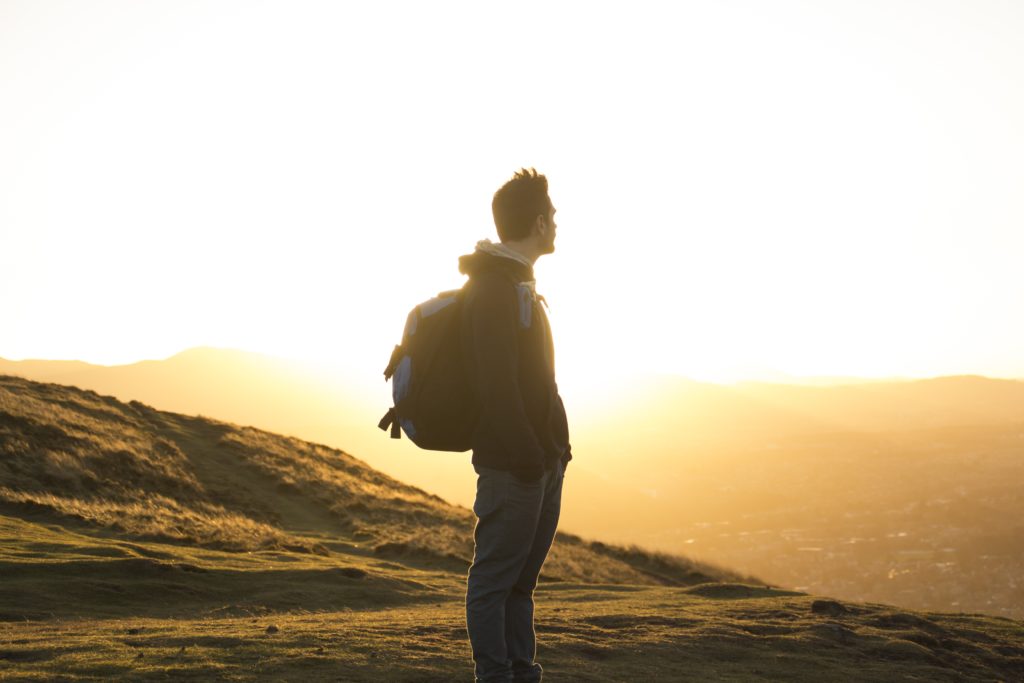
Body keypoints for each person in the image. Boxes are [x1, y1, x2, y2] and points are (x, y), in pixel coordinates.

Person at [458, 168, 572, 683]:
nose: (559, 224)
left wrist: (557, 450)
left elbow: (535, 382)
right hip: (514, 467)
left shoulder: (519, 283)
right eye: (553, 215)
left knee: (520, 583)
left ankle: (522, 672)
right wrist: (530, 459)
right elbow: (496, 387)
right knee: (494, 580)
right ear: (539, 221)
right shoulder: (493, 290)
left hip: (541, 464)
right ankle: (496, 675)